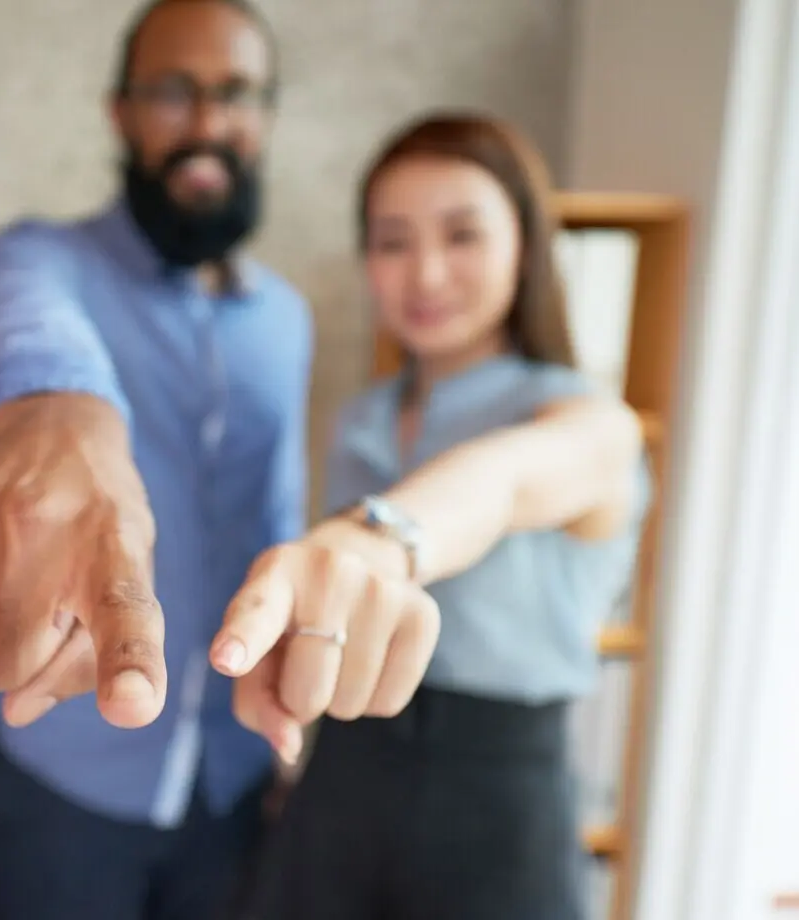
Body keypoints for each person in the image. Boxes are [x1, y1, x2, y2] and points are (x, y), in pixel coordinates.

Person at [0, 2, 439, 918]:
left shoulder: (285, 319)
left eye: (235, 94)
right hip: (66, 780)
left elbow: (275, 516)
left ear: (266, 116)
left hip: (233, 780)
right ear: (119, 112)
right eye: (172, 92)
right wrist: (62, 423)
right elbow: (24, 333)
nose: (205, 123)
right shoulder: (39, 261)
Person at [236, 112, 652, 920]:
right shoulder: (360, 419)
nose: (425, 273)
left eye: (461, 235)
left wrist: (377, 539)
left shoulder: (592, 422)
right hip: (344, 777)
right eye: (393, 241)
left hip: (498, 794)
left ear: (527, 246)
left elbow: (499, 484)